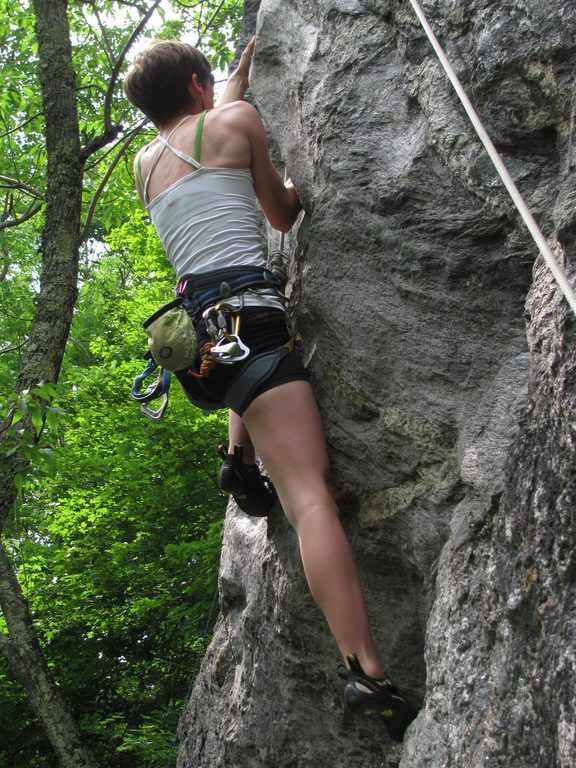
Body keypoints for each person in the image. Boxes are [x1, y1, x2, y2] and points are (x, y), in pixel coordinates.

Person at [123, 37, 418, 741]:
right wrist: (295, 186)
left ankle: (239, 459)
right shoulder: (238, 118)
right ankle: (365, 672)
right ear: (199, 83)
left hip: (198, 345)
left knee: (255, 396)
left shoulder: (143, 164)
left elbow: (202, 139)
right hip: (250, 323)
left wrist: (226, 85)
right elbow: (281, 214)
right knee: (309, 495)